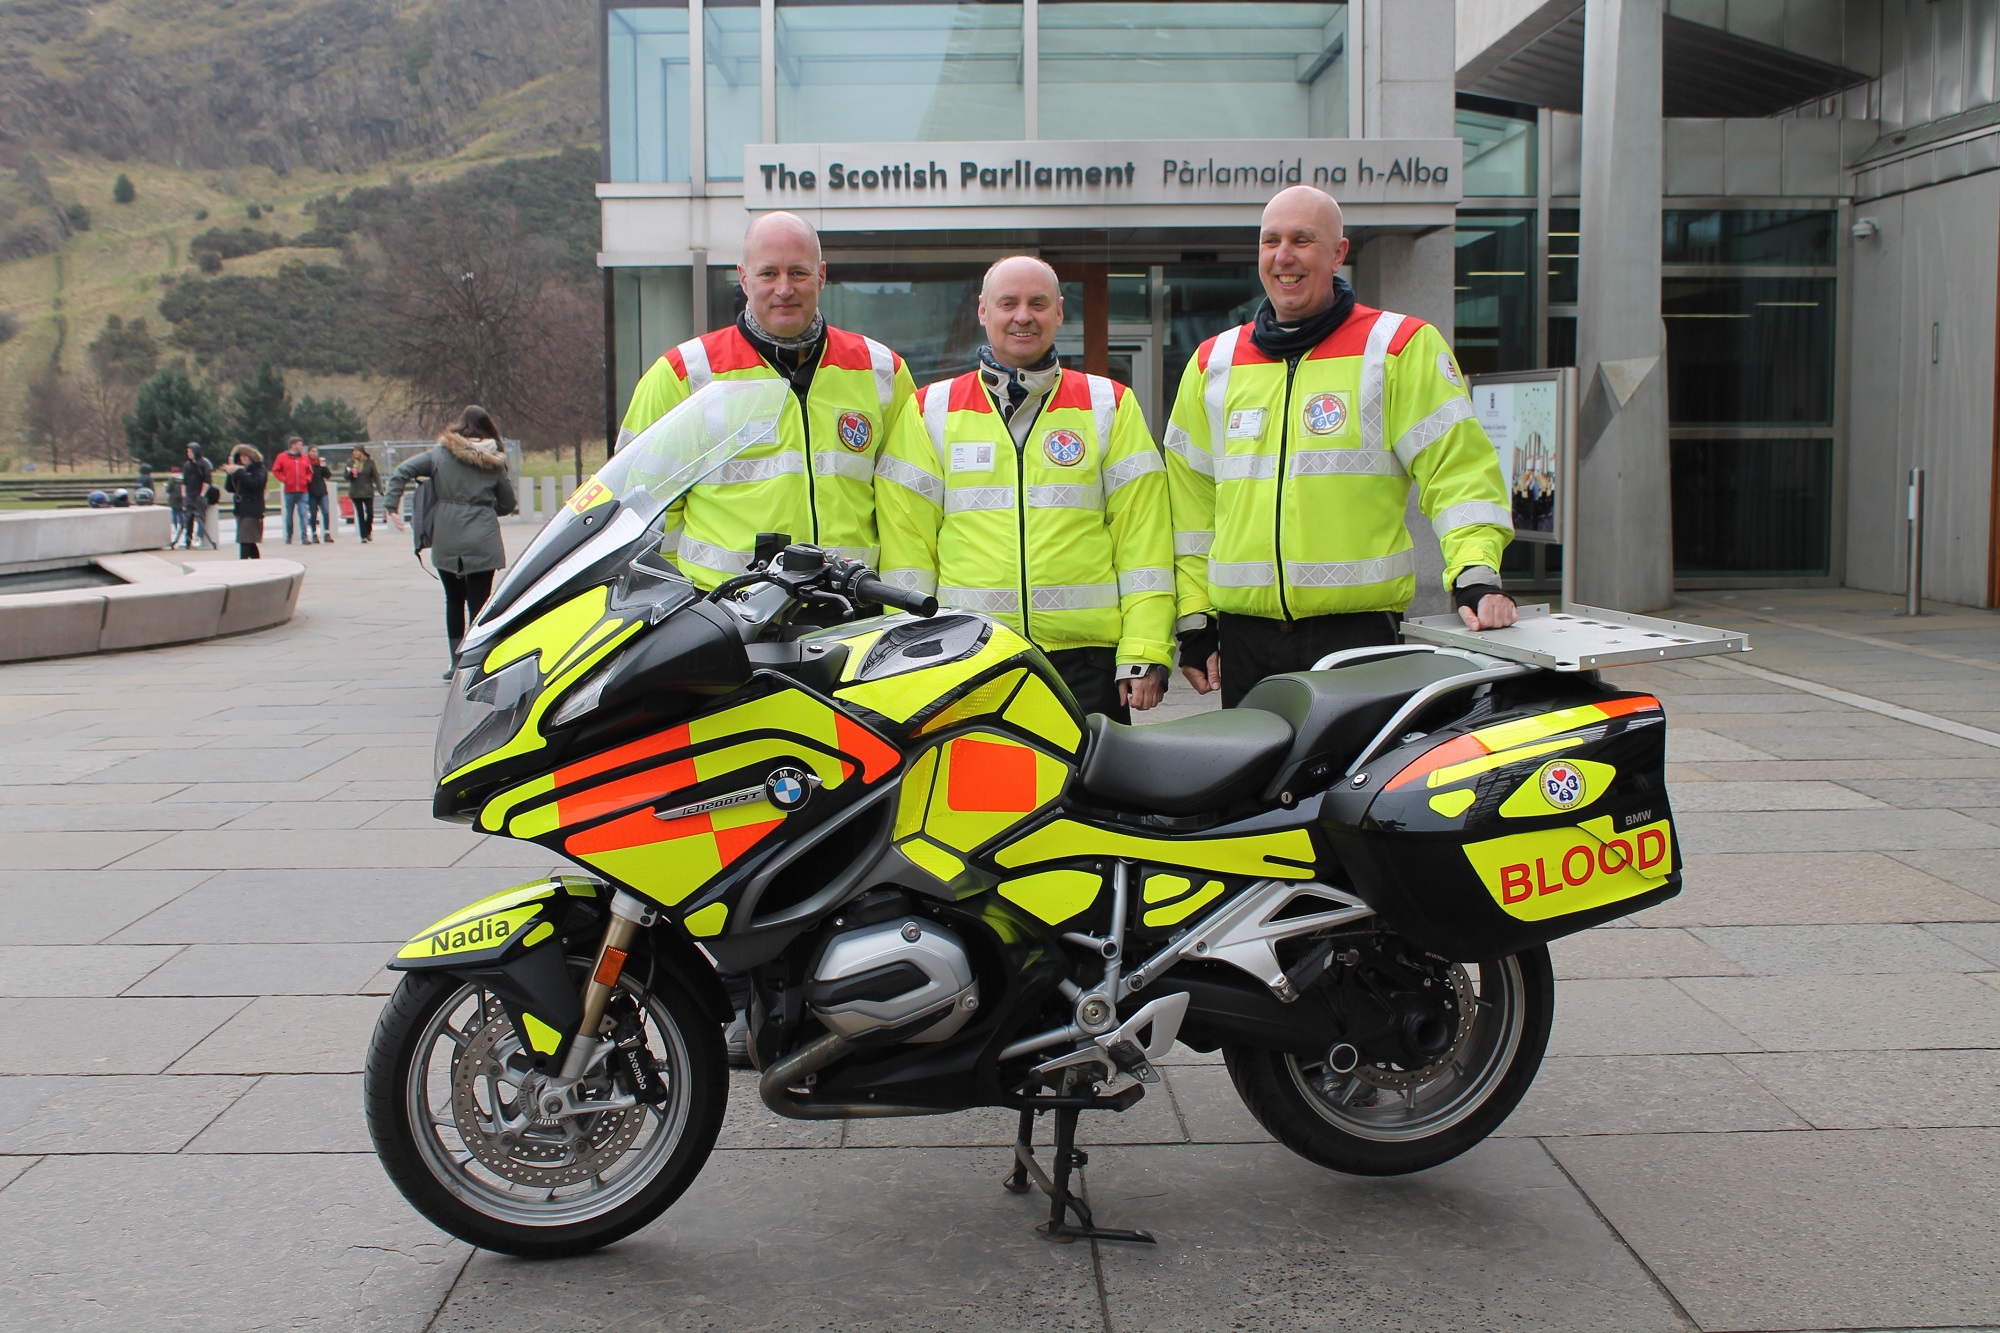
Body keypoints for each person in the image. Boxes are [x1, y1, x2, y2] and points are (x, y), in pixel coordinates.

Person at [1164, 186, 1517, 708]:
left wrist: (1475, 573)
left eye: (1302, 240)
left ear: (1338, 253)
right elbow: (1188, 506)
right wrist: (1194, 617)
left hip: (1357, 637)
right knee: (1254, 790)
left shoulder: (1399, 348)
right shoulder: (1212, 363)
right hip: (1245, 640)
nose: (1283, 256)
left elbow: (1458, 473)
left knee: (1357, 789)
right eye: (1270, 241)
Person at [876, 255, 1174, 722]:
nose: (1023, 316)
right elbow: (906, 548)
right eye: (1008, 302)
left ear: (1059, 311)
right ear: (983, 311)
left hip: (1087, 662)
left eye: (1038, 303)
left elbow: (1145, 540)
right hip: (968, 657)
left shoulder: (1111, 405)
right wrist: (914, 652)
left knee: (1089, 795)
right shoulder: (929, 410)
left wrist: (1145, 646)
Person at [616, 211, 917, 589]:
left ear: (821, 275)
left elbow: (906, 506)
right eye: (768, 273)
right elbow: (641, 509)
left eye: (798, 273)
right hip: (723, 613)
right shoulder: (686, 374)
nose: (784, 288)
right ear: (743, 278)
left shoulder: (882, 370)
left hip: (850, 608)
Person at [385, 406, 519, 675]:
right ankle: (479, 660)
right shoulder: (494, 460)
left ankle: (455, 662)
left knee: (453, 599)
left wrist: (391, 505)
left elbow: (402, 471)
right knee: (480, 604)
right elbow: (507, 503)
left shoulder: (440, 454)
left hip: (447, 535)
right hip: (483, 536)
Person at [222, 444, 267, 559]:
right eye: (241, 456)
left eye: (246, 456)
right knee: (249, 541)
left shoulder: (259, 469)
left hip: (253, 509)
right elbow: (230, 488)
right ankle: (256, 562)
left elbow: (255, 484)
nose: (243, 459)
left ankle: (244, 562)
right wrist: (230, 474)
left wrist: (239, 473)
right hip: (241, 509)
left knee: (245, 539)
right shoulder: (241, 470)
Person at [269, 436, 314, 544]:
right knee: (289, 513)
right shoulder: (282, 457)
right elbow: (276, 470)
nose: (301, 447)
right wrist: (284, 479)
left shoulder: (305, 458)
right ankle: (289, 535)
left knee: (303, 513)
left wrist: (307, 480)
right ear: (292, 445)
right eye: (299, 445)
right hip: (289, 490)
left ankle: (304, 536)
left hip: (303, 490)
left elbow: (309, 471)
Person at [178, 442, 215, 550]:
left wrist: (202, 494)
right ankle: (188, 538)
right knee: (188, 518)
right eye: (188, 452)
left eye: (190, 451)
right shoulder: (187, 465)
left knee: (200, 517)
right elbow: (184, 481)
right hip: (189, 494)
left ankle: (199, 537)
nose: (189, 454)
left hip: (199, 494)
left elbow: (207, 480)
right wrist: (184, 495)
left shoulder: (204, 464)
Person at [345, 446, 381, 543]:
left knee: (370, 513)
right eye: (354, 451)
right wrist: (351, 473)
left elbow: (376, 477)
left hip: (367, 491)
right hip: (355, 492)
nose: (355, 453)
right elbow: (346, 477)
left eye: (357, 451)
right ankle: (363, 536)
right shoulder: (350, 463)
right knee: (360, 514)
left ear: (362, 452)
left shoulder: (369, 462)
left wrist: (380, 489)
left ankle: (368, 531)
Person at [305, 446, 333, 544]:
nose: (314, 453)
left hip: (322, 491)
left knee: (325, 511)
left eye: (316, 451)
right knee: (313, 514)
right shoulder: (306, 463)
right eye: (312, 451)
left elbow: (328, 475)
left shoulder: (320, 463)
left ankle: (326, 533)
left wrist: (324, 467)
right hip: (311, 492)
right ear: (308, 452)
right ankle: (313, 533)